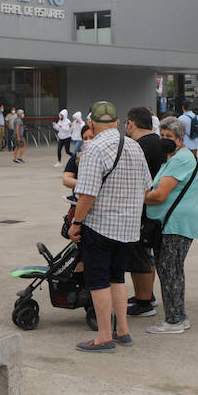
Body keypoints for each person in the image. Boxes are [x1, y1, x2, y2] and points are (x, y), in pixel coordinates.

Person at [69, 101, 150, 352]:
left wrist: (76, 223)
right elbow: (147, 187)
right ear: (117, 123)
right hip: (128, 227)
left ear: (91, 124)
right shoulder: (135, 147)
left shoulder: (93, 149)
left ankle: (104, 336)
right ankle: (123, 330)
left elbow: (87, 195)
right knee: (117, 277)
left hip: (101, 225)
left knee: (98, 280)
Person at [144, 117, 198, 334]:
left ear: (180, 138)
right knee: (172, 270)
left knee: (169, 270)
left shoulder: (182, 159)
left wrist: (136, 196)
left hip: (176, 224)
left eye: (169, 137)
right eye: (161, 136)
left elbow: (159, 195)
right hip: (170, 224)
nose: (164, 140)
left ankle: (174, 319)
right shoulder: (172, 158)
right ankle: (179, 316)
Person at [122, 107, 164, 319]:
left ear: (131, 123)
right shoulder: (158, 141)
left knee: (139, 255)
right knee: (148, 254)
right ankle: (147, 295)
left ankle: (144, 301)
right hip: (156, 207)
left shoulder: (137, 147)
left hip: (141, 206)